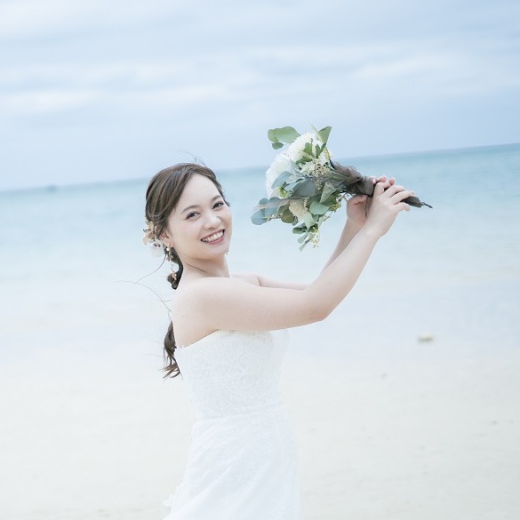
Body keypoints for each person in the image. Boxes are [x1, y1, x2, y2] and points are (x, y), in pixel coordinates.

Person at [143, 163, 414, 519]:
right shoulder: (200, 295)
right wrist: (373, 231)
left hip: (264, 459)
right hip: (235, 466)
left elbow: (320, 291)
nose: (212, 220)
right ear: (165, 234)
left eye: (218, 204)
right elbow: (315, 307)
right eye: (193, 214)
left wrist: (355, 226)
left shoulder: (241, 283)